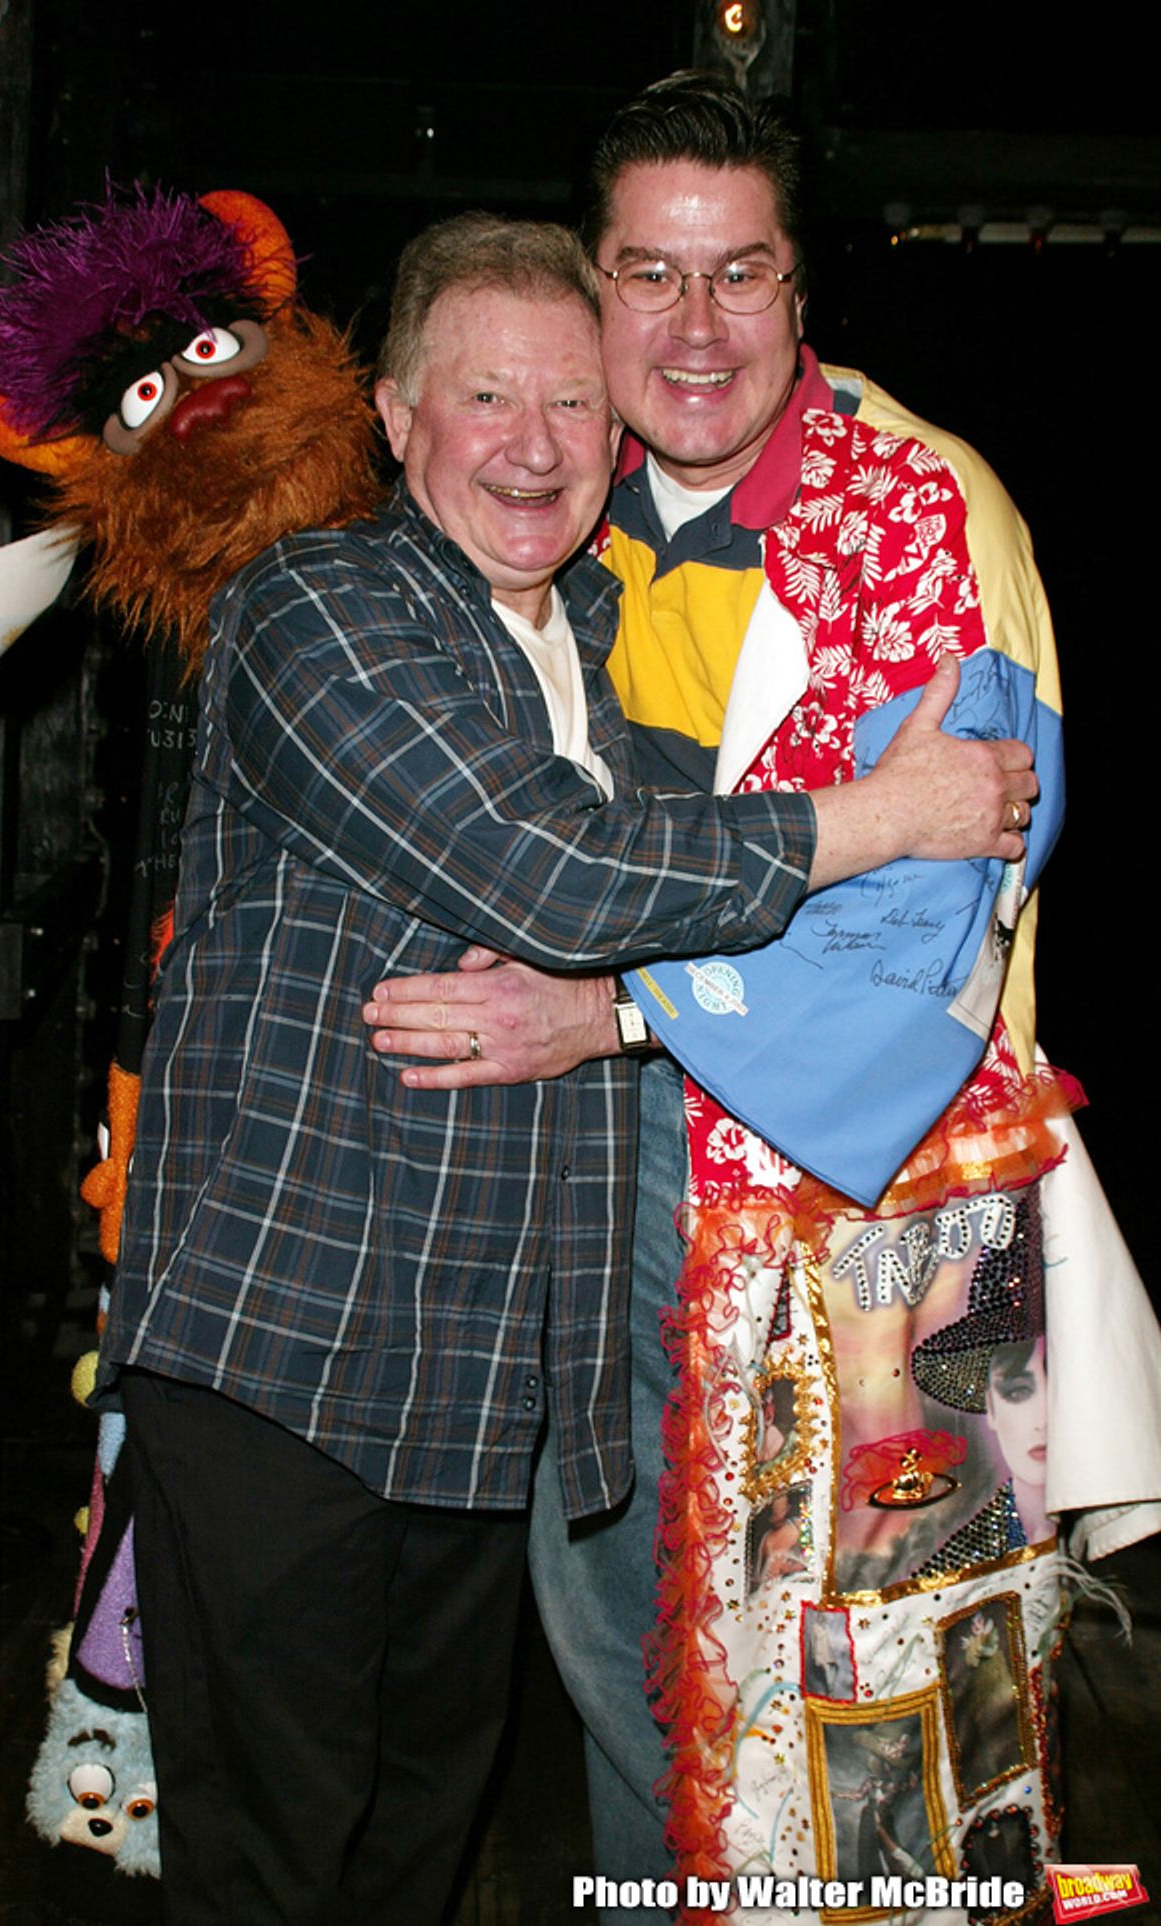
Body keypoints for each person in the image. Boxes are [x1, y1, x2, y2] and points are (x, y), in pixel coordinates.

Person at [87, 208, 1030, 1926]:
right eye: (486, 399)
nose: (535, 446)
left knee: (413, 1862)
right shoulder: (315, 607)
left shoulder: (596, 648)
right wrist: (889, 813)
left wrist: (864, 786)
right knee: (275, 1871)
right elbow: (563, 872)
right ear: (395, 416)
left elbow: (700, 882)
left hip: (479, 1407)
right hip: (285, 1375)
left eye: (573, 406)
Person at [365, 74, 1161, 1925]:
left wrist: (616, 1013)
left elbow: (932, 928)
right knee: (633, 1661)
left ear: (808, 293)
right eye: (649, 273)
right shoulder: (553, 480)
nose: (694, 329)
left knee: (879, 1731)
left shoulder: (925, 507)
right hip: (584, 1175)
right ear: (593, 274)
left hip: (873, 1214)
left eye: (744, 276)